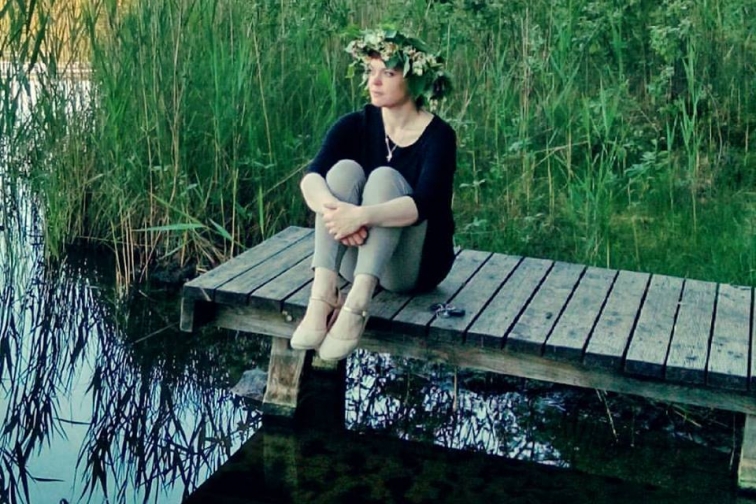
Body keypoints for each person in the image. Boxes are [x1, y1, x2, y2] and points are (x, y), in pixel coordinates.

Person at [291, 27, 457, 361]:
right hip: (353, 260)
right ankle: (323, 294)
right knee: (341, 172)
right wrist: (337, 213)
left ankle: (357, 305)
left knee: (384, 178)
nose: (375, 81)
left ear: (414, 81)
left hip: (412, 268)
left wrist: (360, 216)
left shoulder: (439, 136)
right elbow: (311, 178)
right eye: (371, 71)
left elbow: (424, 205)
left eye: (388, 73)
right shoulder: (355, 124)